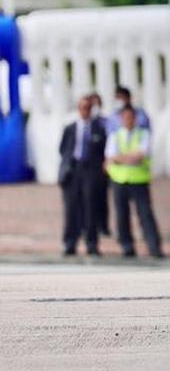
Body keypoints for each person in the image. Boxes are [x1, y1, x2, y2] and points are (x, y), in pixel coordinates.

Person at [106, 105, 164, 258]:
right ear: (121, 119)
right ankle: (127, 247)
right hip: (119, 180)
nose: (128, 120)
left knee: (145, 214)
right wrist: (128, 158)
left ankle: (154, 246)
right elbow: (111, 157)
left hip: (139, 180)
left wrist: (121, 158)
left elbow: (140, 155)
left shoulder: (143, 134)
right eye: (125, 117)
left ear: (135, 118)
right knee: (122, 216)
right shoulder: (116, 135)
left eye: (131, 117)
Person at [58, 95, 109, 256]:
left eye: (88, 108)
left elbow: (104, 151)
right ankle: (70, 243)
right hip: (73, 170)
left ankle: (92, 244)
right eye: (82, 108)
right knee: (71, 209)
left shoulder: (99, 128)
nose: (85, 111)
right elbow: (62, 149)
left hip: (91, 171)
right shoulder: (70, 128)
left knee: (90, 208)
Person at [87, 92, 111, 237]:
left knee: (102, 198)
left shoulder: (105, 122)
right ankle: (89, 226)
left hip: (101, 166)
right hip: (86, 167)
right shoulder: (82, 123)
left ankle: (103, 226)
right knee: (87, 200)